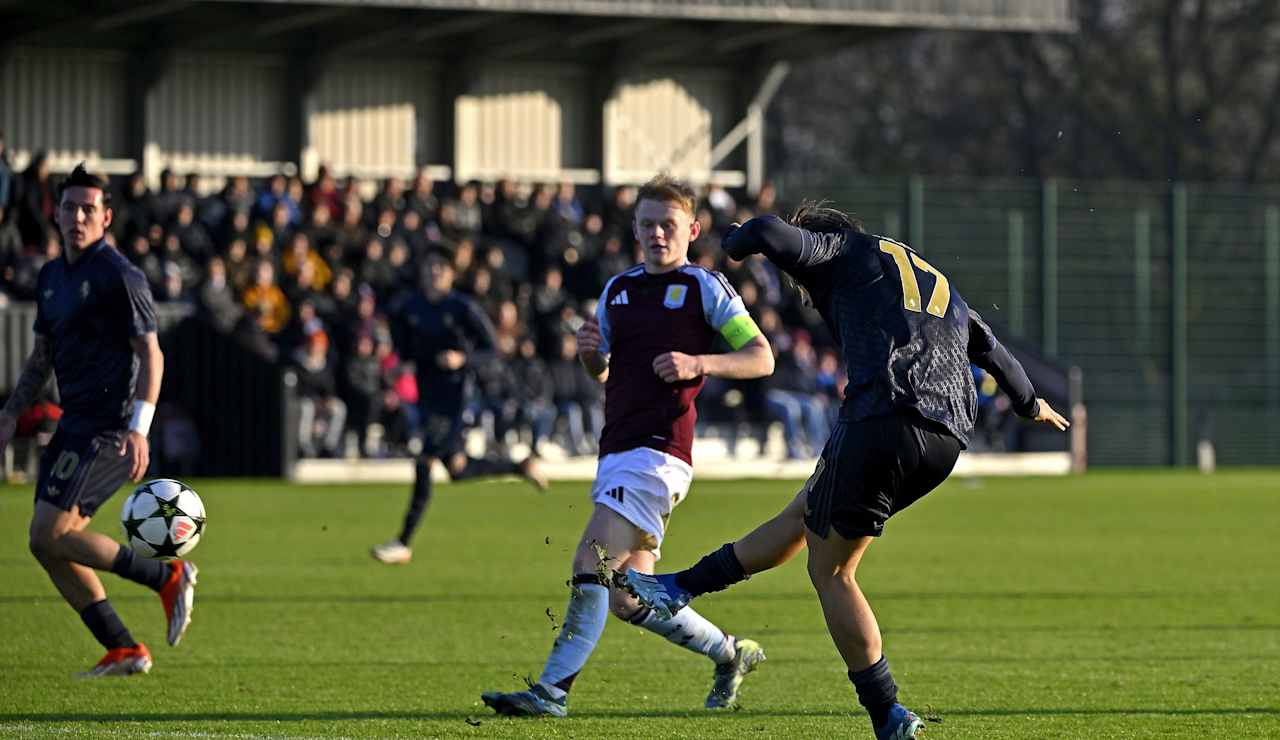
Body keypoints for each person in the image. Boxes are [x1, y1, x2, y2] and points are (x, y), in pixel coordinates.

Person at [623, 204, 1070, 740]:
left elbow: (768, 232)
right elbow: (991, 348)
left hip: (884, 416)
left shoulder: (839, 249)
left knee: (832, 571)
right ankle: (678, 587)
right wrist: (1028, 404)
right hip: (947, 437)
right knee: (805, 516)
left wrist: (737, 242)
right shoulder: (930, 278)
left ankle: (888, 712)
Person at [481, 175, 776, 718]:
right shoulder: (618, 290)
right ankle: (731, 654)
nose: (657, 234)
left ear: (692, 228)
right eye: (647, 225)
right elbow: (605, 371)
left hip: (660, 453)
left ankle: (551, 692)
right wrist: (592, 355)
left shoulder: (704, 288)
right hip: (617, 449)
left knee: (589, 560)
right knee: (627, 597)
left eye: (668, 225)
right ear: (635, 228)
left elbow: (762, 357)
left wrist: (699, 363)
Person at [0, 164, 196, 678]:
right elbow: (42, 356)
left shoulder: (119, 275)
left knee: (48, 534)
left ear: (106, 217)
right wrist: (11, 411)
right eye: (69, 207)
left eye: (89, 209)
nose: (77, 217)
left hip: (108, 427)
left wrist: (139, 428)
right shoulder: (50, 277)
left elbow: (152, 355)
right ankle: (124, 647)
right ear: (56, 212)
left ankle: (167, 576)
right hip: (73, 422)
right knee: (49, 543)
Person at [370, 244, 548, 565]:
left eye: (441, 267)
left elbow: (491, 349)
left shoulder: (462, 308)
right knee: (457, 468)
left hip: (456, 396)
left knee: (424, 461)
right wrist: (401, 365)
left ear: (451, 274)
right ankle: (519, 466)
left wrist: (462, 358)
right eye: (430, 266)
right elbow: (405, 348)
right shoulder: (409, 307)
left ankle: (403, 541)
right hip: (427, 394)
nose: (435, 272)